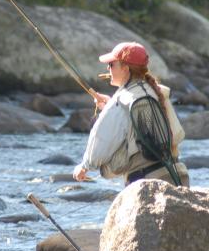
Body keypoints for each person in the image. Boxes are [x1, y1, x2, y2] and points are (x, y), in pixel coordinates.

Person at [73, 41, 189, 187]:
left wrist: (84, 166)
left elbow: (102, 138)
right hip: (178, 176)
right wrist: (110, 105)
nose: (108, 68)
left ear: (126, 68)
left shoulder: (122, 100)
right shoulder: (154, 90)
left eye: (111, 65)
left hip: (146, 183)